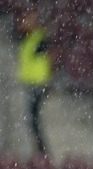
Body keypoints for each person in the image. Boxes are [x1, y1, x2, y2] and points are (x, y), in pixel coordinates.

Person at [17, 11, 51, 155]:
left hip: (37, 84)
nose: (24, 23)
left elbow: (44, 56)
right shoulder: (29, 39)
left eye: (27, 20)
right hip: (30, 84)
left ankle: (42, 152)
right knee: (32, 120)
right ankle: (39, 151)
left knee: (34, 120)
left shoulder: (39, 38)